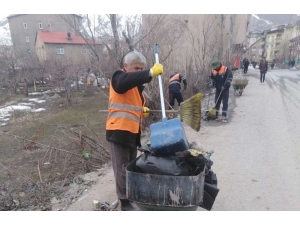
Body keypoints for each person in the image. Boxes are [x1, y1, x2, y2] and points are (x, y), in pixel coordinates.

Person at [106, 50, 163, 211]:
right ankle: (124, 203)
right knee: (122, 169)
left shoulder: (135, 86)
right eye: (136, 68)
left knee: (130, 167)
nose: (139, 71)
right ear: (126, 66)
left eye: (142, 68)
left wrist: (141, 109)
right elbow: (123, 84)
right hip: (118, 131)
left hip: (131, 133)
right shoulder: (118, 77)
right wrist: (150, 72)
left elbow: (130, 103)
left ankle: (131, 197)